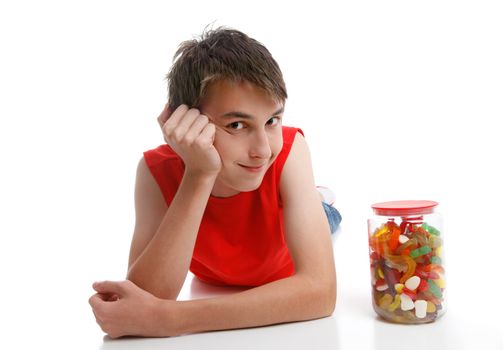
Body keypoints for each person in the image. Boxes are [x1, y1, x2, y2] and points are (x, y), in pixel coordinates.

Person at [88, 26, 342, 339]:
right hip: (225, 256)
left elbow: (320, 293)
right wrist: (199, 174)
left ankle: (321, 204)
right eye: (237, 125)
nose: (263, 150)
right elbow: (143, 300)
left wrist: (173, 318)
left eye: (272, 120)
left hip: (282, 244)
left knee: (325, 216)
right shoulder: (155, 171)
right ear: (185, 122)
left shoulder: (289, 151)